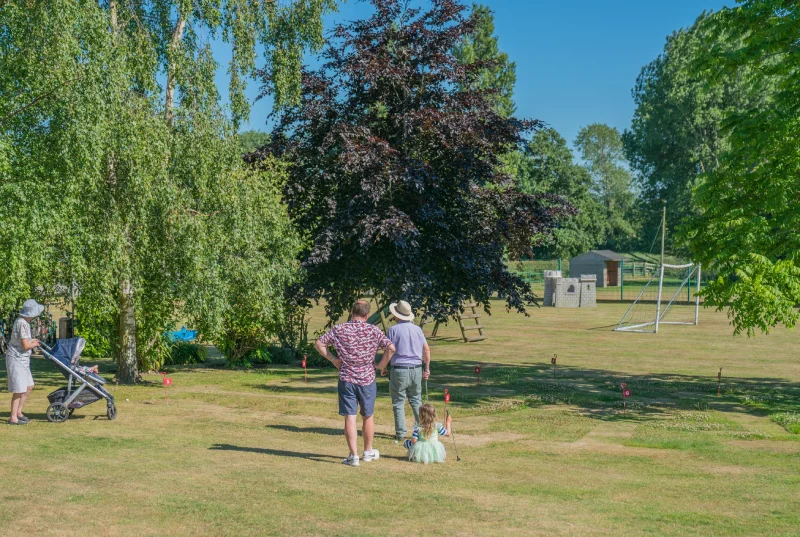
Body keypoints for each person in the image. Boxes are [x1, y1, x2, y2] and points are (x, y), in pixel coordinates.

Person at [314, 300, 395, 467]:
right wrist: (381, 365)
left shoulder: (339, 329)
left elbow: (319, 343)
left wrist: (334, 359)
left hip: (347, 378)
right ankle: (367, 451)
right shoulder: (373, 330)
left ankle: (353, 455)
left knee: (350, 417)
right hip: (367, 378)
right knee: (368, 416)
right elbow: (391, 348)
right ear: (366, 315)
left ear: (352, 312)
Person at [375, 300, 430, 442]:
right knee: (416, 400)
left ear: (397, 315)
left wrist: (384, 367)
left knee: (398, 402)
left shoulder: (393, 330)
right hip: (416, 369)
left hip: (399, 369)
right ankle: (423, 430)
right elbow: (426, 350)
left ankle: (400, 433)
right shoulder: (418, 330)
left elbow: (389, 350)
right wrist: (427, 368)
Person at [5, 299, 44, 425]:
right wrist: (33, 344)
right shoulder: (22, 323)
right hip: (16, 359)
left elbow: (25, 341)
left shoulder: (25, 322)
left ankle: (19, 412)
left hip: (23, 359)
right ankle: (13, 418)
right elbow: (25, 346)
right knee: (19, 389)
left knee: (28, 386)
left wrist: (33, 341)